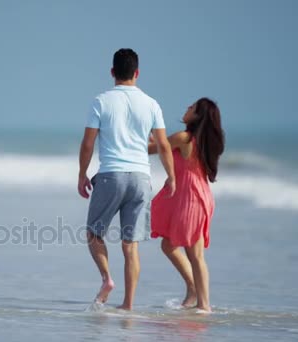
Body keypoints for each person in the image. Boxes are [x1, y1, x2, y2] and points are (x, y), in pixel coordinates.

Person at [78, 48, 176, 311]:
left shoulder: (101, 101)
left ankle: (107, 279)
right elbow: (164, 146)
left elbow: (88, 144)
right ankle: (128, 305)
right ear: (137, 73)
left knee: (93, 233)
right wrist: (171, 177)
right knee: (130, 245)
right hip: (141, 179)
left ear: (112, 72)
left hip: (111, 176)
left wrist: (81, 174)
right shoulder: (152, 103)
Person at [148, 98, 225, 313]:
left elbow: (153, 148)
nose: (187, 108)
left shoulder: (184, 138)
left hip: (191, 198)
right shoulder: (199, 141)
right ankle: (193, 290)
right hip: (197, 196)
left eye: (192, 108)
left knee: (195, 254)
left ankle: (204, 304)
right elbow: (164, 146)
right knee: (170, 246)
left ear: (198, 116)